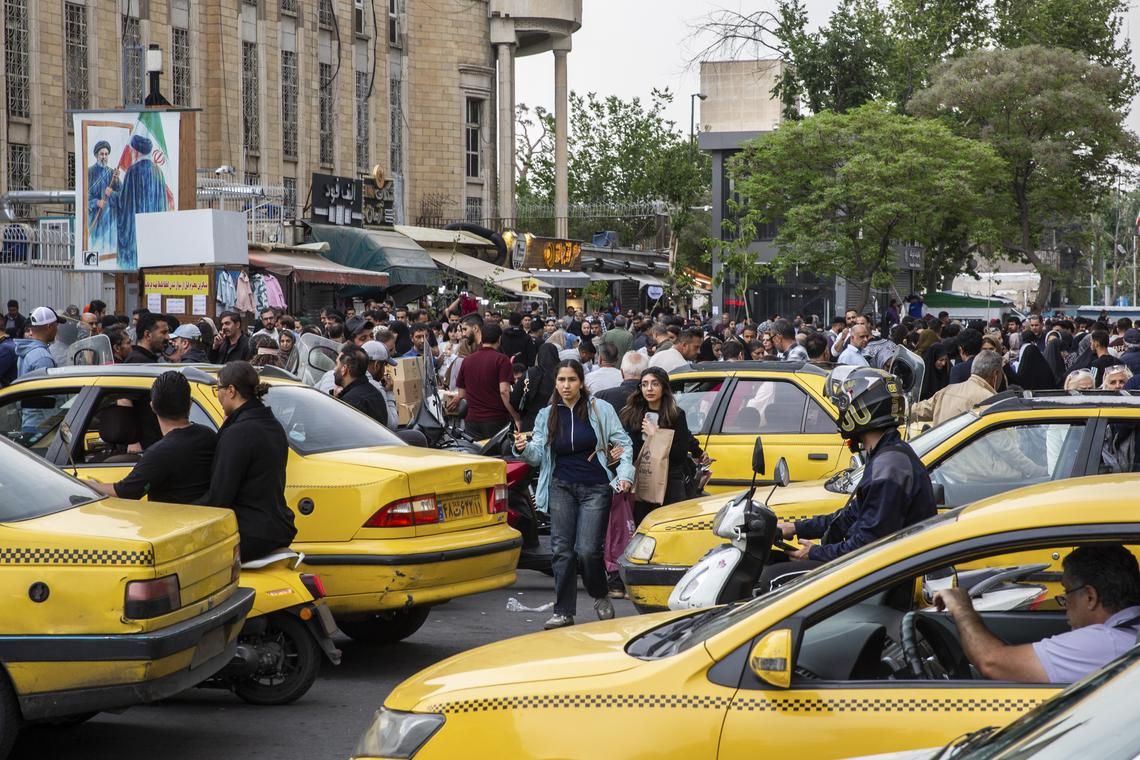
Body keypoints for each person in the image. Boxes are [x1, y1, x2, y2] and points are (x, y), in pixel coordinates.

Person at [764, 367, 936, 587]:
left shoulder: (889, 466)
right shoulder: (888, 455)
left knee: (772, 579)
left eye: (843, 407)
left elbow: (868, 544)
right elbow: (849, 517)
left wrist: (815, 552)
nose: (840, 414)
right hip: (881, 571)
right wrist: (795, 528)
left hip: (885, 582)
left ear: (862, 410)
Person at [512, 360, 635, 630]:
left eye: (571, 380)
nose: (566, 386)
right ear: (555, 383)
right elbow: (536, 456)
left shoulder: (600, 409)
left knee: (588, 551)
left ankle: (599, 593)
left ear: (581, 382)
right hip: (561, 486)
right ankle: (564, 611)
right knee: (561, 551)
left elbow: (623, 444)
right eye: (561, 380)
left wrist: (625, 475)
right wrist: (522, 447)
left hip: (596, 488)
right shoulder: (547, 415)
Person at [934, 545, 1140, 684]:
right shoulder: (1127, 634)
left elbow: (991, 661)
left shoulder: (1104, 643)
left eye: (1066, 594)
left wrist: (961, 606)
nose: (1064, 607)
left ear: (1089, 597)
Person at [197, 362, 297, 561]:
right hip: (273, 526)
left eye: (219, 389)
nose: (218, 395)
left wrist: (182, 511)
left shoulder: (239, 432)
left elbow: (219, 498)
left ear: (231, 390)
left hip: (249, 532)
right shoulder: (271, 424)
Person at [85, 371, 216, 504]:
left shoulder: (159, 454)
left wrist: (82, 484)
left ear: (152, 407)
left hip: (171, 521)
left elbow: (124, 493)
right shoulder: (209, 435)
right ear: (190, 403)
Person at [617, 366, 707, 522]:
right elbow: (629, 449)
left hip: (670, 482)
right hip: (642, 479)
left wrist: (657, 435)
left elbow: (679, 454)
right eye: (644, 384)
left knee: (670, 526)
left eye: (655, 384)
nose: (649, 389)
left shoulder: (676, 415)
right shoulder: (631, 413)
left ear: (664, 387)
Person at [115, 134, 171, 270]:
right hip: (154, 235)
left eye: (133, 149)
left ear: (136, 151)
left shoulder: (133, 171)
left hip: (136, 238)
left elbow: (124, 202)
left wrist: (113, 192)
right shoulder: (158, 172)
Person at [457, 323, 522, 438]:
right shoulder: (502, 360)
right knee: (496, 455)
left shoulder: (467, 360)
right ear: (499, 338)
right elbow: (504, 391)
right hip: (496, 420)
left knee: (476, 454)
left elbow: (462, 394)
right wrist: (516, 416)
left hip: (472, 421)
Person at [911, 349, 1003, 426]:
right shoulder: (991, 401)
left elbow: (918, 410)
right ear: (995, 375)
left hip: (941, 447)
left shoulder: (947, 391)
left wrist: (898, 405)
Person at [333, 343, 388, 425]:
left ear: (344, 369)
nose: (334, 369)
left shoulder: (350, 403)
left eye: (337, 364)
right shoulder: (376, 393)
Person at [86, 140, 120, 253]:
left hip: (110, 218)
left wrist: (115, 184)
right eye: (101, 154)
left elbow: (122, 195)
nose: (104, 157)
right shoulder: (89, 172)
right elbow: (84, 195)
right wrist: (95, 202)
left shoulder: (112, 173)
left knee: (110, 250)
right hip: (95, 217)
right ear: (96, 155)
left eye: (106, 154)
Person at [15, 307, 59, 378]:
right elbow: (46, 388)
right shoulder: (42, 358)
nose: (57, 329)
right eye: (56, 326)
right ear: (49, 327)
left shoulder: (27, 349)